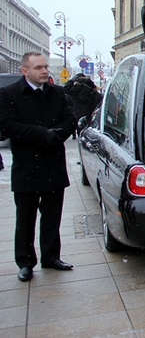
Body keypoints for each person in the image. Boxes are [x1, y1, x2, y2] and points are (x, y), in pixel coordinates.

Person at [0, 52, 77, 282]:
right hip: (26, 165)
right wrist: (42, 134)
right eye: (38, 68)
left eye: (45, 67)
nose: (44, 71)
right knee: (25, 218)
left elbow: (70, 120)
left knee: (52, 215)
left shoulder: (57, 92)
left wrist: (57, 135)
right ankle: (25, 262)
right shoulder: (9, 94)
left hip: (53, 163)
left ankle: (51, 257)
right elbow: (7, 126)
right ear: (25, 71)